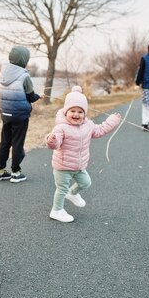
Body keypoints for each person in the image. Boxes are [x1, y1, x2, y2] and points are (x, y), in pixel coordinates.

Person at [45, 86, 121, 223]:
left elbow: (100, 130)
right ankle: (56, 211)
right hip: (63, 166)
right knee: (61, 189)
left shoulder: (88, 125)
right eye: (72, 111)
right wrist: (51, 140)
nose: (76, 114)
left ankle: (72, 193)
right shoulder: (61, 127)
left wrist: (112, 121)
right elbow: (55, 144)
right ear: (65, 111)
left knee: (86, 183)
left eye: (80, 111)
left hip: (79, 166)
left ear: (85, 113)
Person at [0, 46, 42, 183]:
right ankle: (16, 172)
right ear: (24, 59)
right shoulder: (24, 76)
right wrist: (39, 96)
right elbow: (31, 97)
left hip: (5, 113)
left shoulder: (3, 73)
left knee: (5, 142)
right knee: (17, 143)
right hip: (20, 115)